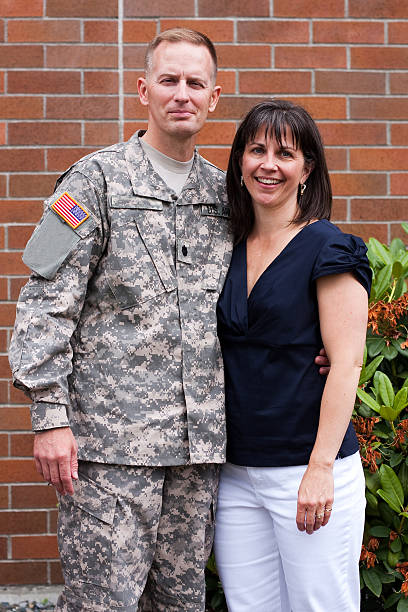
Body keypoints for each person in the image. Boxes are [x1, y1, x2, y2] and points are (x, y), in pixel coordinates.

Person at [8, 29, 330, 610]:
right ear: (143, 90)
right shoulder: (92, 183)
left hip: (199, 453)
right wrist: (48, 415)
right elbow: (45, 302)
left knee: (182, 603)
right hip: (109, 449)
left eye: (195, 83)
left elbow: (265, 282)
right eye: (169, 80)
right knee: (103, 602)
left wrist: (312, 341)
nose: (182, 93)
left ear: (213, 97)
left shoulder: (227, 194)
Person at [213, 99, 371, 612]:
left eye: (286, 153)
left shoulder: (328, 247)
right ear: (239, 163)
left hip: (307, 468)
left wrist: (320, 467)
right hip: (237, 473)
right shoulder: (227, 245)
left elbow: (346, 364)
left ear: (307, 169)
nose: (269, 164)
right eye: (256, 150)